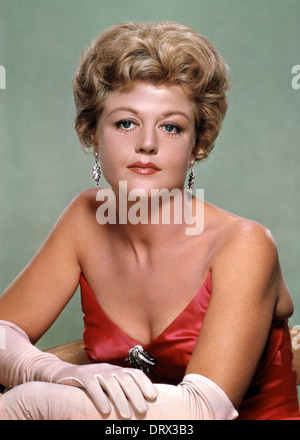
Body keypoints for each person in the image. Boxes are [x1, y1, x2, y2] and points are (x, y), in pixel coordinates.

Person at [0, 21, 299, 420]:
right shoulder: (85, 219)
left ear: (198, 144)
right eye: (126, 122)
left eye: (171, 127)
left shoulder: (244, 245)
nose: (147, 143)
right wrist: (57, 372)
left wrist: (31, 401)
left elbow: (199, 412)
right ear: (93, 134)